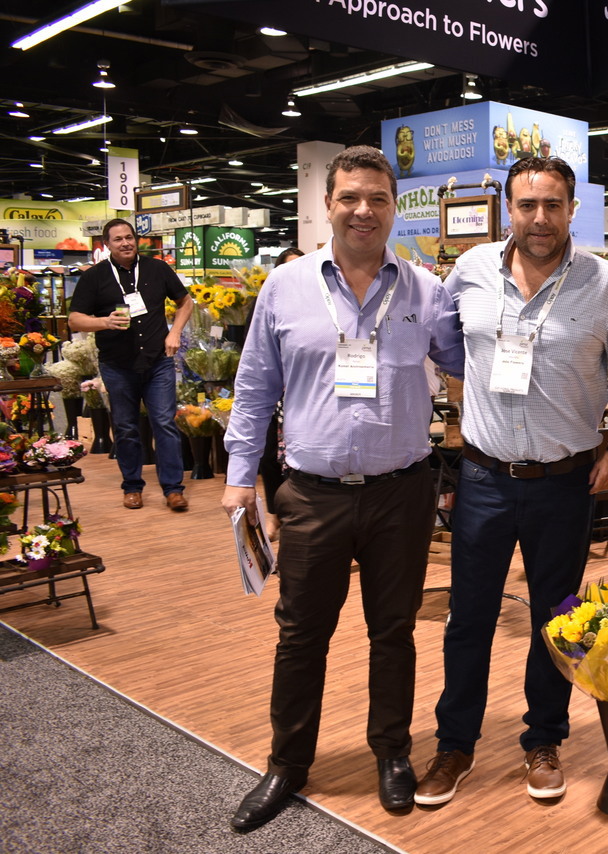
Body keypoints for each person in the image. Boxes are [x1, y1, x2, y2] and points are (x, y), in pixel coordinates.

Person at [220, 146, 465, 832]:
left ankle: (392, 753)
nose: (364, 210)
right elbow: (254, 389)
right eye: (350, 197)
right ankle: (288, 762)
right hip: (311, 494)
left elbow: (465, 361)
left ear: (394, 207)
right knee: (301, 635)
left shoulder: (426, 291)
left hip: (401, 492)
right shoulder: (284, 287)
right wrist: (240, 479)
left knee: (394, 632)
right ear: (327, 204)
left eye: (378, 199)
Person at [421, 156, 608, 807]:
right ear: (508, 210)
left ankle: (543, 740)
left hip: (565, 482)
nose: (540, 218)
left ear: (572, 209)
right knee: (468, 618)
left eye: (553, 205)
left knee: (556, 620)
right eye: (527, 205)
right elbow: (439, 343)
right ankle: (454, 745)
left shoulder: (604, 284)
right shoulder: (470, 272)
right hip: (484, 478)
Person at [68, 218, 194, 511]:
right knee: (125, 428)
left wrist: (175, 332)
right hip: (118, 365)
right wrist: (104, 322)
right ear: (106, 245)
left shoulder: (157, 269)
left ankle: (173, 489)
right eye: (118, 239)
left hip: (158, 362)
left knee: (165, 423)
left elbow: (185, 302)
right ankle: (133, 487)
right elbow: (74, 319)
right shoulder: (94, 277)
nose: (125, 243)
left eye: (129, 237)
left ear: (136, 240)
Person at [258, 246, 306, 541]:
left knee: (295, 461)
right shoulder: (270, 302)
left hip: (304, 396)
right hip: (277, 396)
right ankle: (274, 515)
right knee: (271, 458)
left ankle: (291, 519)